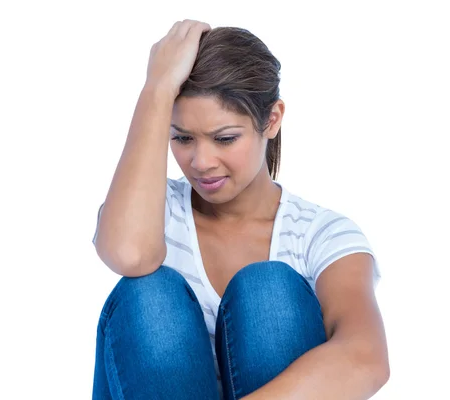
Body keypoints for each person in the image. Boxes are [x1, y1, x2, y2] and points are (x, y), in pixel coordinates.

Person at [91, 19, 389, 400]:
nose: (201, 161)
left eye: (225, 138)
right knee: (150, 292)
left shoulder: (321, 235)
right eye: (181, 137)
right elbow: (129, 254)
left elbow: (366, 358)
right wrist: (157, 89)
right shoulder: (151, 209)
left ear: (272, 120)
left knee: (269, 290)